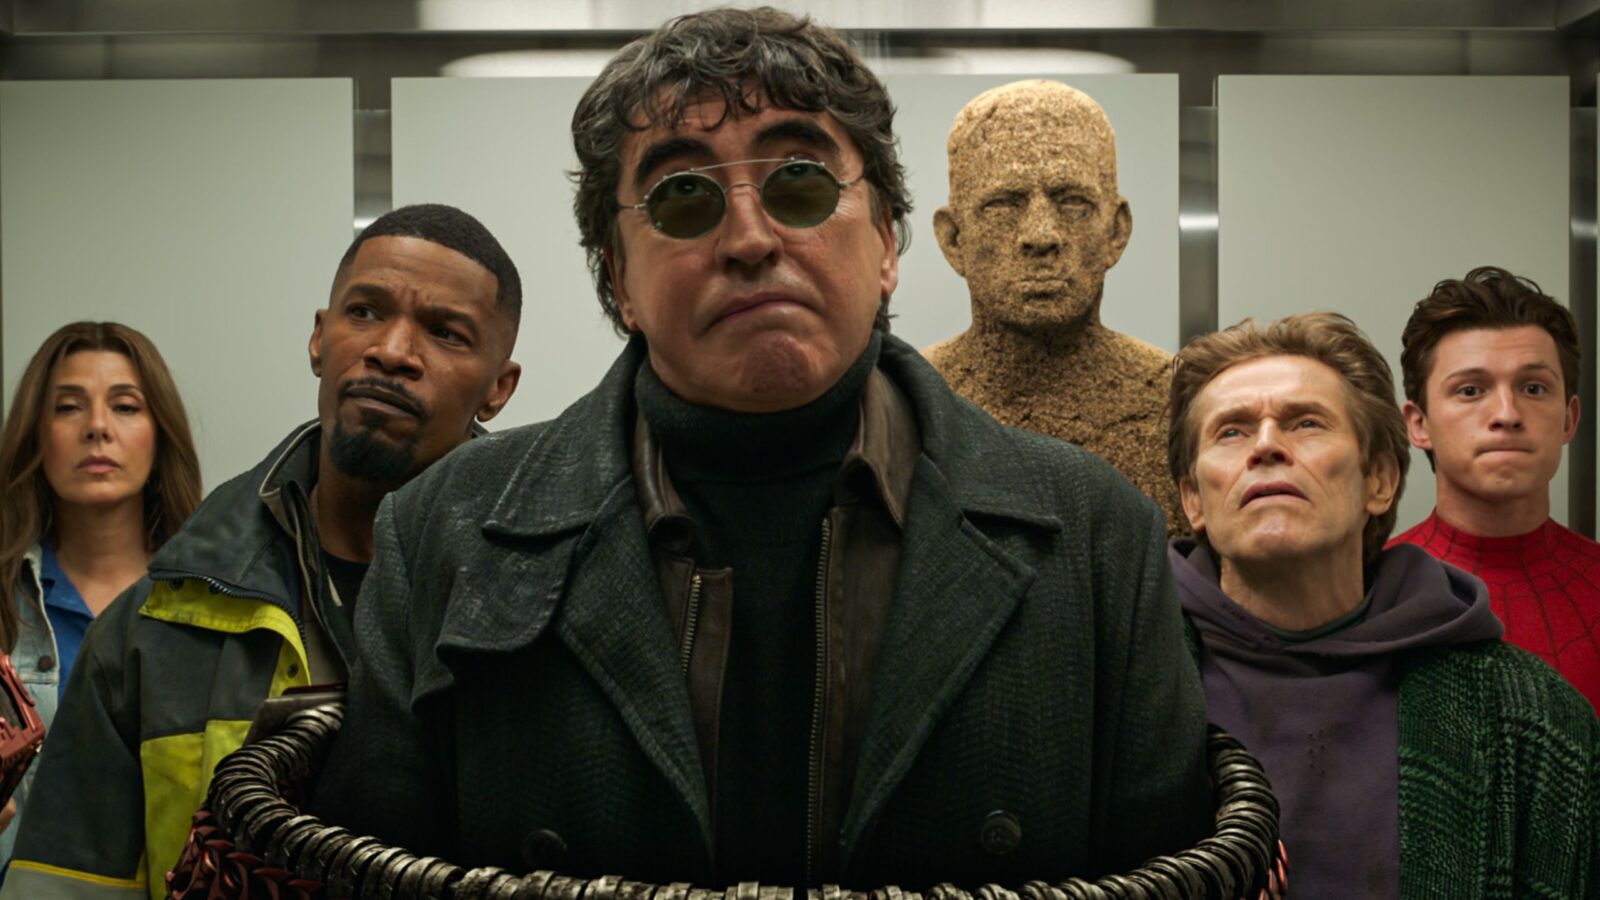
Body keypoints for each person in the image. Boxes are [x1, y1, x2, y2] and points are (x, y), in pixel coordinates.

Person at [314, 7, 1211, 890]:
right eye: (683, 197)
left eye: (800, 182)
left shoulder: (1096, 538)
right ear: (618, 279)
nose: (749, 238)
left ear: (887, 241)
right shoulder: (442, 534)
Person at [3, 203, 523, 899]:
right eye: (364, 312)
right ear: (319, 339)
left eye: (445, 332)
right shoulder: (148, 632)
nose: (393, 350)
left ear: (499, 387)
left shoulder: (548, 607)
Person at [1167, 312, 1597, 897]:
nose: (1266, 446)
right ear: (1193, 499)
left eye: (1306, 423)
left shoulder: (1528, 717)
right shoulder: (1118, 690)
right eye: (1231, 432)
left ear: (1380, 480)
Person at [923, 80, 1184, 534]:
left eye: (1072, 202)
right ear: (954, 239)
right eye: (1003, 205)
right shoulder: (910, 401)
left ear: (1116, 231)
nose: (1041, 235)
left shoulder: (1178, 402)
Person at [0, 322, 201, 868]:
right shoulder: (6, 606)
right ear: (35, 435)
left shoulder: (214, 601)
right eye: (68, 407)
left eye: (125, 406)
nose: (96, 427)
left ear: (160, 433)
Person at [1388, 266, 1600, 711]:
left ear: (1568, 420)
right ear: (1419, 424)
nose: (1507, 414)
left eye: (1534, 388)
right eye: (1470, 390)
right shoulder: (1363, 589)